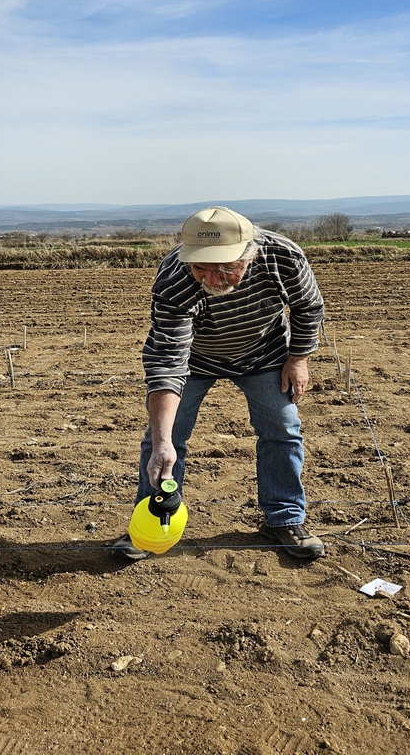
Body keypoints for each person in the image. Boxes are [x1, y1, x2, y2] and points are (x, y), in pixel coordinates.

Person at [114, 206, 326, 561]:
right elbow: (167, 358)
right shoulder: (174, 278)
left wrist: (298, 358)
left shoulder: (283, 256)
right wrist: (162, 440)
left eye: (226, 268)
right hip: (193, 361)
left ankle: (284, 518)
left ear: (250, 253)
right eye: (201, 268)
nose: (212, 281)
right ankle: (151, 525)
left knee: (282, 428)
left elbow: (308, 307)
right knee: (164, 440)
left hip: (265, 353)